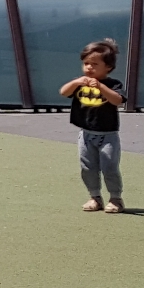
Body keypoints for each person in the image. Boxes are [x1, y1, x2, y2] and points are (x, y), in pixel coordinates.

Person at [57, 39, 125, 212]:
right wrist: (75, 83)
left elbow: (118, 101)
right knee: (88, 167)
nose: (89, 68)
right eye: (86, 63)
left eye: (94, 64)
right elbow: (64, 92)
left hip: (107, 135)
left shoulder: (113, 84)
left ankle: (116, 199)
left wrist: (101, 87)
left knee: (109, 167)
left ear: (108, 67)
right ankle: (95, 197)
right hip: (86, 134)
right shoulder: (80, 82)